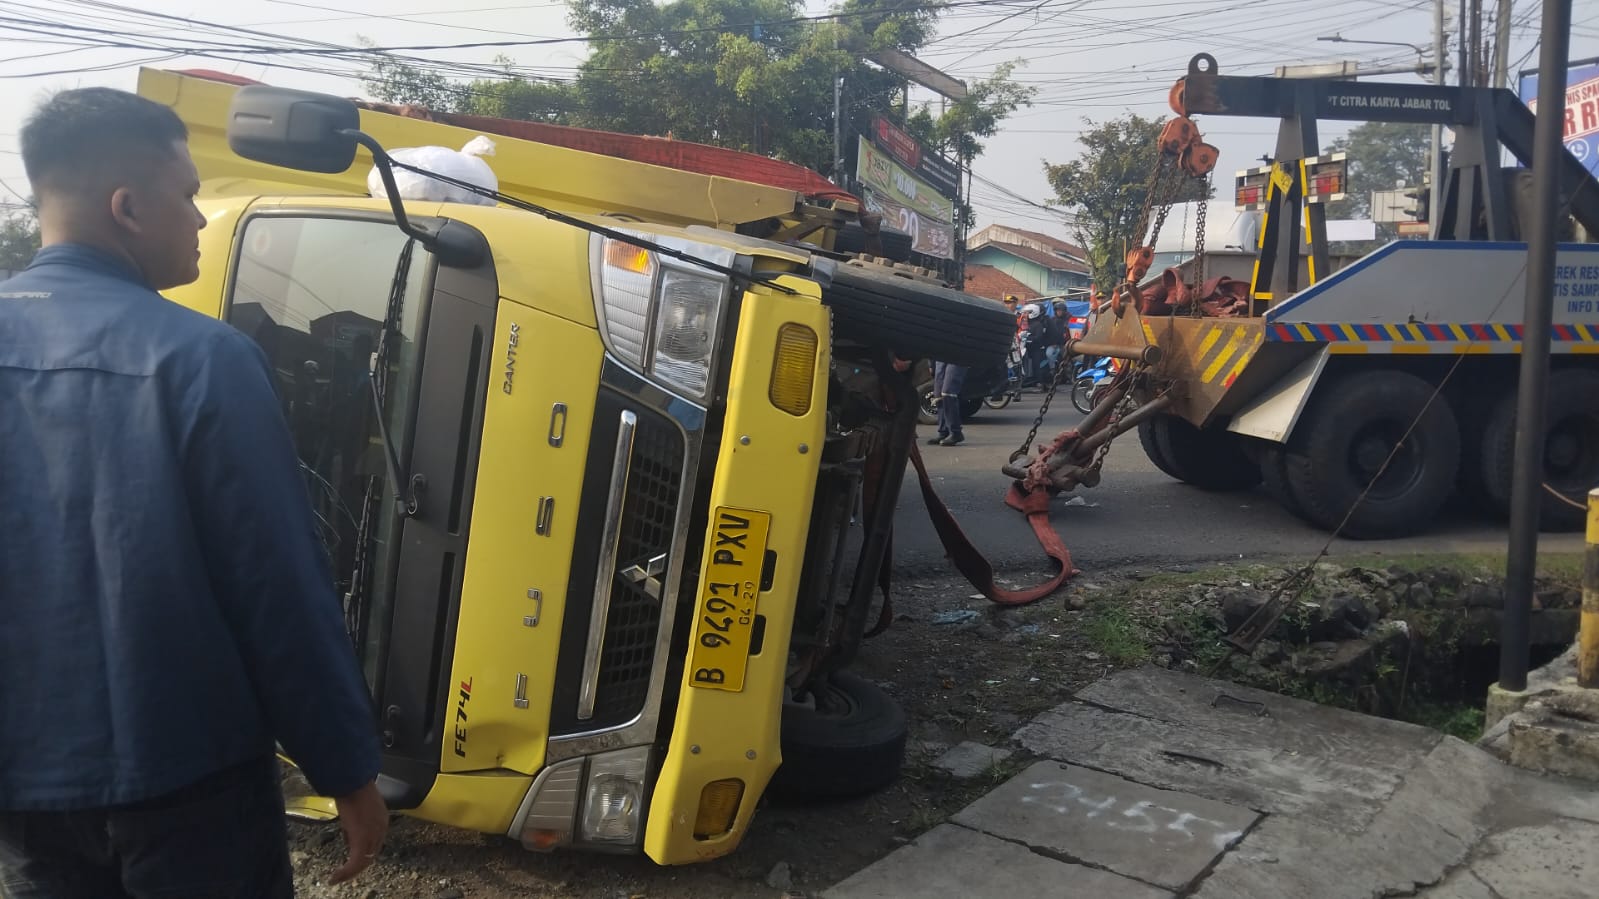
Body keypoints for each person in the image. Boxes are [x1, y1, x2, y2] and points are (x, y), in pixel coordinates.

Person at [0, 88, 386, 896]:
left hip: (27, 787)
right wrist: (344, 767)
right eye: (189, 195)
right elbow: (276, 582)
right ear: (128, 206)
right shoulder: (200, 357)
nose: (202, 219)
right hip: (189, 786)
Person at [927, 360, 967, 446]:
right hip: (940, 359)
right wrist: (931, 364)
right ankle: (943, 432)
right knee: (938, 395)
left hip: (958, 357)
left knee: (948, 393)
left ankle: (956, 433)